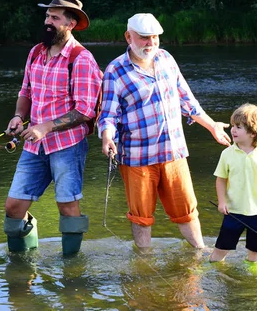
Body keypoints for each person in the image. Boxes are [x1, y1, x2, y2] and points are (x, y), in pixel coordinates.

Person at [98, 13, 231, 249]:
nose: (151, 43)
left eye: (155, 38)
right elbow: (108, 115)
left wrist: (212, 126)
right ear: (128, 36)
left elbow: (187, 101)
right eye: (144, 38)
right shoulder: (115, 71)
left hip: (174, 151)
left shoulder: (167, 59)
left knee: (187, 210)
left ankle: (200, 252)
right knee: (141, 216)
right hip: (137, 157)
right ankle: (144, 261)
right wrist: (107, 137)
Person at [3, 0, 103, 256]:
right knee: (13, 207)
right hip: (34, 147)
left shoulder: (81, 59)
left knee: (67, 207)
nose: (48, 21)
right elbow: (26, 91)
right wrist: (17, 117)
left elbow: (84, 111)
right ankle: (21, 269)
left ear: (70, 24)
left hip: (67, 146)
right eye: (47, 15)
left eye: (55, 17)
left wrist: (45, 126)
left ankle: (71, 269)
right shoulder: (36, 52)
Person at [210, 103, 257, 264]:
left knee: (255, 251)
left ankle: (254, 277)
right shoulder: (227, 154)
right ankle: (213, 268)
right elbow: (221, 179)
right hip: (233, 211)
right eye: (233, 126)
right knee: (221, 249)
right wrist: (222, 202)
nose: (233, 130)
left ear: (253, 132)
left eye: (239, 127)